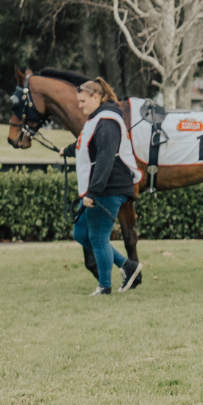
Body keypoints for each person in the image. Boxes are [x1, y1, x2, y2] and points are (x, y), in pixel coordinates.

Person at [71, 77, 140, 294]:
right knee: (81, 233)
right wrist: (67, 149)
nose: (79, 105)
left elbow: (105, 159)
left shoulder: (107, 121)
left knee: (98, 237)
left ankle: (104, 286)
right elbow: (89, 142)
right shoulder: (98, 119)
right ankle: (128, 266)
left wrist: (93, 191)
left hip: (108, 189)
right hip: (102, 188)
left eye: (83, 101)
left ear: (96, 97)